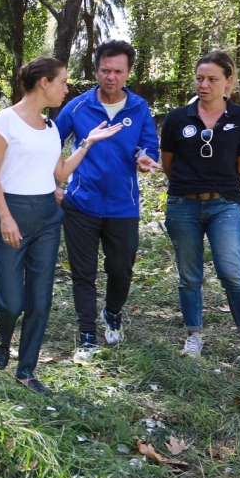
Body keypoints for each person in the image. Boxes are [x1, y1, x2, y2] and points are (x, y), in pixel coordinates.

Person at [0, 56, 120, 393]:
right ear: (44, 82)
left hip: (47, 216)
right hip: (12, 213)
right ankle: (3, 340)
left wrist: (88, 142)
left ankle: (26, 370)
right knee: (12, 303)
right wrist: (5, 216)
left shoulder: (51, 126)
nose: (66, 88)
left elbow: (60, 173)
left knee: (41, 301)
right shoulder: (5, 122)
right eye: (62, 82)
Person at [158, 50, 240, 370]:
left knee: (232, 271)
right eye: (199, 79)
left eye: (212, 79)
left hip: (225, 205)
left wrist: (214, 186)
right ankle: (193, 336)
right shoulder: (178, 118)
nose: (204, 85)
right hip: (183, 205)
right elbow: (169, 164)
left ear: (228, 82)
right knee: (189, 276)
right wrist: (190, 187)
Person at [53, 40, 160, 362]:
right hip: (81, 204)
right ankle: (87, 334)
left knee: (121, 270)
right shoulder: (77, 107)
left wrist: (145, 158)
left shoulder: (139, 108)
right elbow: (49, 143)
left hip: (122, 206)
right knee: (83, 273)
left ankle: (112, 313)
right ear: (96, 70)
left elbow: (149, 145)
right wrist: (54, 185)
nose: (111, 77)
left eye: (118, 71)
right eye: (105, 70)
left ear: (128, 73)